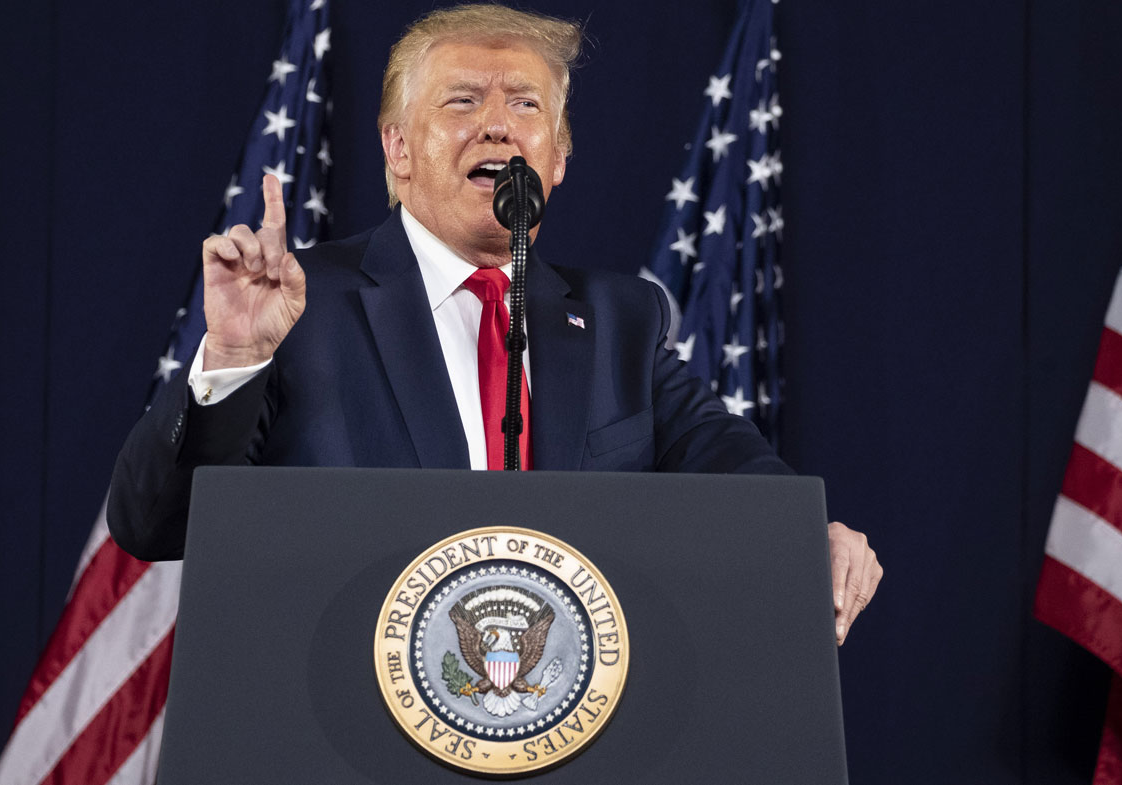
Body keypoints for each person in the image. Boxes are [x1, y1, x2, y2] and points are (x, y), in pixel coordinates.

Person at [107, 4, 882, 644]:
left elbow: (737, 473)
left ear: (559, 158)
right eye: (463, 100)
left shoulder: (622, 325)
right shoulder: (298, 308)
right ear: (398, 149)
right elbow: (153, 523)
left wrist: (805, 534)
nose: (498, 126)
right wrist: (236, 358)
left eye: (526, 104)